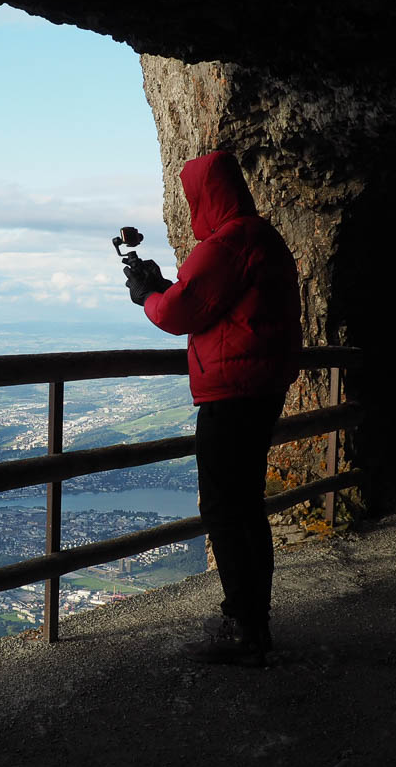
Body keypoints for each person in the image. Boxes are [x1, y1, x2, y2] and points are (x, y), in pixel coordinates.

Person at [125, 150, 302, 665]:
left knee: (225, 510)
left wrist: (148, 296)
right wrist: (163, 286)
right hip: (262, 385)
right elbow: (210, 300)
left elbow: (182, 311)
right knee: (245, 506)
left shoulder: (229, 242)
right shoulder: (261, 238)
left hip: (233, 391)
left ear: (204, 195)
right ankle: (253, 620)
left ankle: (243, 626)